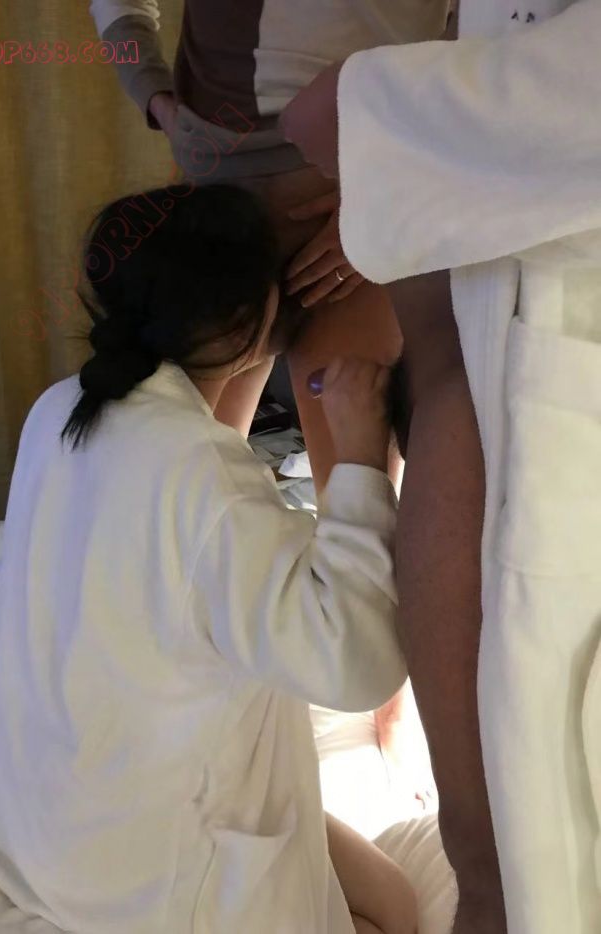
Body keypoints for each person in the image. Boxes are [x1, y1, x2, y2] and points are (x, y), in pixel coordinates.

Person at [0, 184, 418, 934]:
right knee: (394, 912)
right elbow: (358, 665)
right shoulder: (205, 479)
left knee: (389, 897)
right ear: (250, 319)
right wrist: (361, 460)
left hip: (46, 823)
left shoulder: (60, 409)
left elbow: (184, 523)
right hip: (137, 876)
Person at [90, 0, 456, 819]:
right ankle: (188, 681)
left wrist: (398, 181)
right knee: (186, 472)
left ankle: (395, 707)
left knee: (359, 480)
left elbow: (489, 34)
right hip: (219, 187)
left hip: (357, 177)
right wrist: (155, 97)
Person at [280, 1, 601, 933]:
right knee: (500, 862)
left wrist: (390, 116)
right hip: (458, 166)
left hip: (504, 198)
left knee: (521, 861)